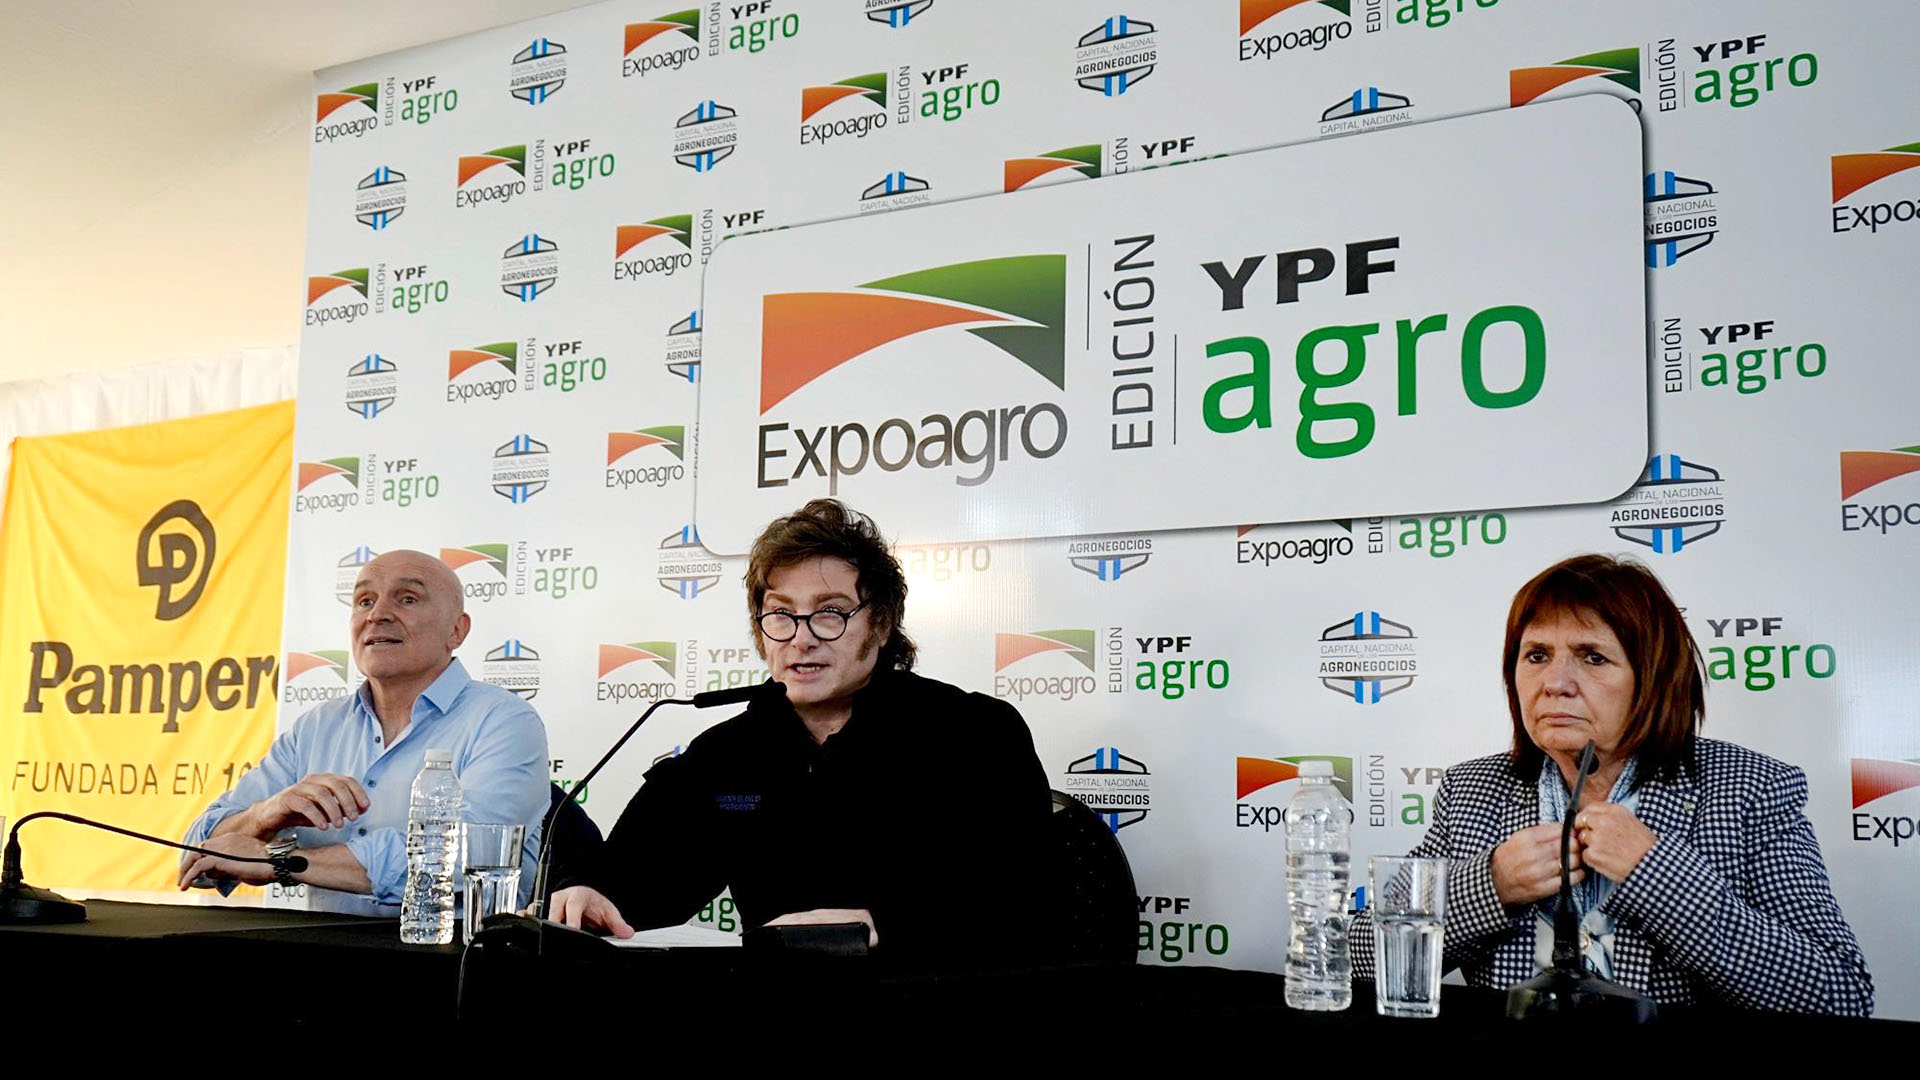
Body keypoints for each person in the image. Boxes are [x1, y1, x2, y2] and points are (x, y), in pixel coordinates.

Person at [1352, 554, 1872, 1015]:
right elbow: (1352, 955)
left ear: (1653, 678)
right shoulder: (1475, 791)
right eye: (1536, 656)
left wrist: (1656, 874)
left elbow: (1839, 995)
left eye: (1592, 657)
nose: (1555, 682)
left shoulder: (1748, 790)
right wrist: (1491, 886)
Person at [545, 499, 1052, 959]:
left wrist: (883, 926)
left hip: (940, 1011)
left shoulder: (975, 734)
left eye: (830, 613)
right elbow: (642, 877)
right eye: (782, 615)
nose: (802, 639)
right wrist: (591, 891)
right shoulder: (729, 754)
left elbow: (1023, 902)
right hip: (779, 1019)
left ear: (879, 625)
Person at [178, 549, 549, 916]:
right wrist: (266, 815)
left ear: (457, 629)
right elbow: (196, 856)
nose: (377, 615)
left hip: (455, 966)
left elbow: (468, 855)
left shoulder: (504, 721)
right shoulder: (318, 727)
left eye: (407, 599)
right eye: (364, 601)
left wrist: (281, 861)